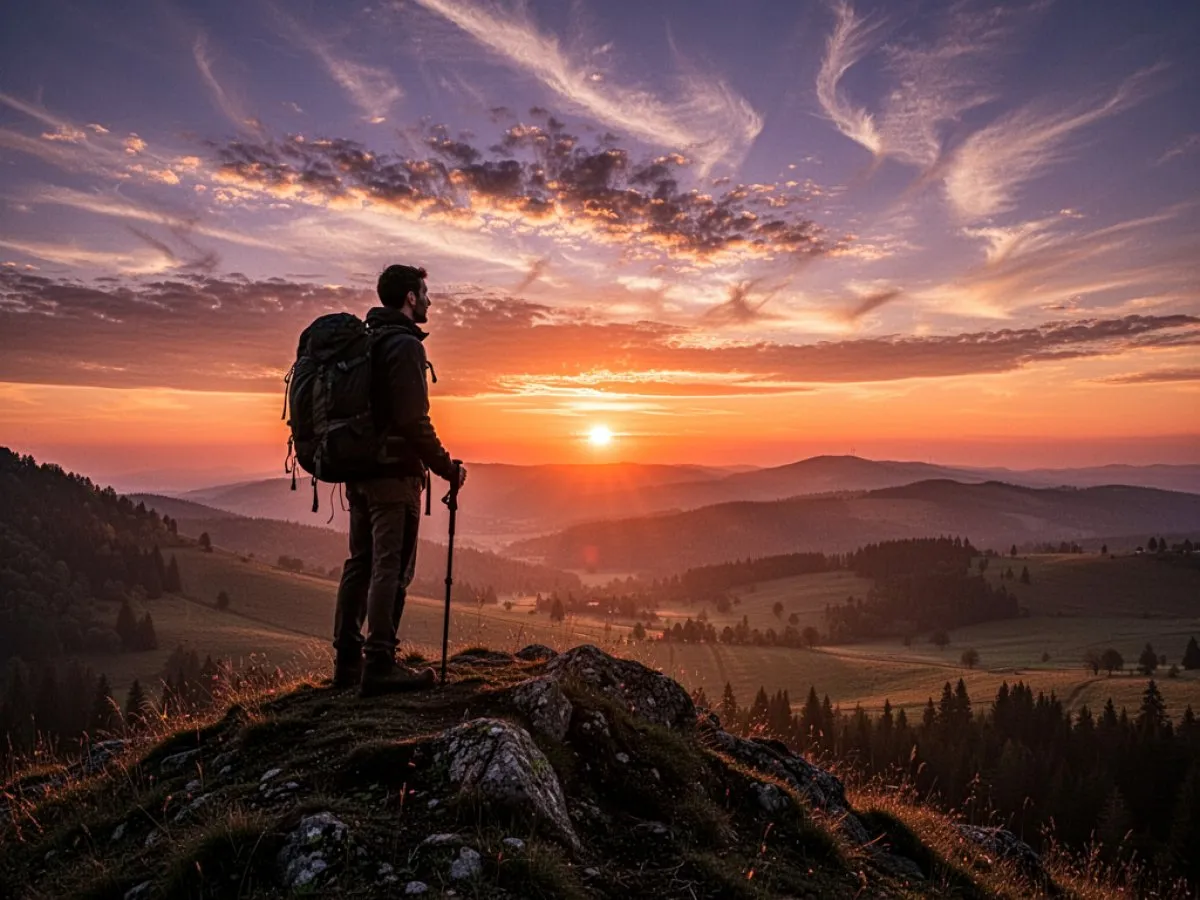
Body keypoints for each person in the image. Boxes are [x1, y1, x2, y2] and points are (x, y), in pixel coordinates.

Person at [332, 264, 467, 695]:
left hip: (359, 474)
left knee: (360, 563)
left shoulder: (368, 340)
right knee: (390, 567)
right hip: (394, 477)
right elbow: (413, 421)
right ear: (410, 297)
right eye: (424, 293)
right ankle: (380, 664)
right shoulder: (405, 345)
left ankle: (347, 663)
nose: (429, 300)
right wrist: (446, 467)